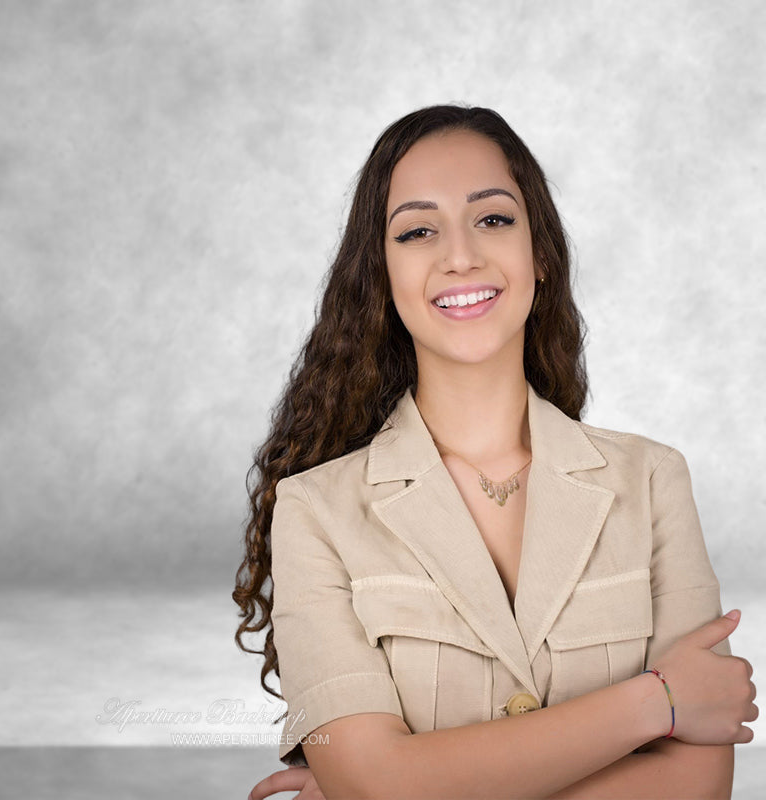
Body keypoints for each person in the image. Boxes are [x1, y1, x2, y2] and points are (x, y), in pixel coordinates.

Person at [234, 105, 757, 799]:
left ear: (538, 251)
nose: (460, 255)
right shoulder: (314, 512)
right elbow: (375, 784)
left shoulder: (654, 481)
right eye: (418, 231)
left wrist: (400, 785)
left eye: (493, 219)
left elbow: (697, 785)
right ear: (381, 277)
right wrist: (656, 703)